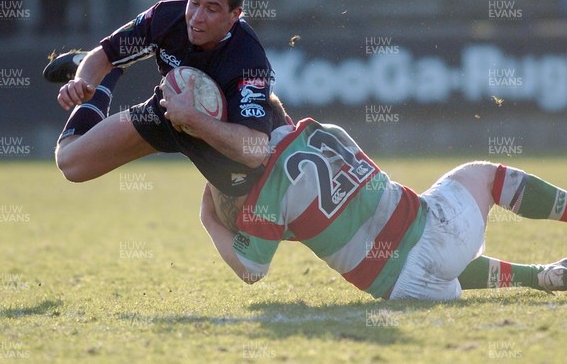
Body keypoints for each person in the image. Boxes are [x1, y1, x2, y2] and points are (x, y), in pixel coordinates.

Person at [200, 108, 567, 300]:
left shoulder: (267, 194)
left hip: (404, 290)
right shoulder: (327, 132)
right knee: (484, 175)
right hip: (432, 235)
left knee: (439, 259)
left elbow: (251, 269)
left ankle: (538, 276)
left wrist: (210, 220)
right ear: (285, 119)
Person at [49, 0, 275, 197]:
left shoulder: (249, 58)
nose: (197, 18)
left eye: (212, 9)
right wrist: (84, 81)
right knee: (71, 164)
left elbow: (255, 150)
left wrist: (192, 118)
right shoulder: (165, 17)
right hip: (166, 113)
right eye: (194, 1)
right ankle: (109, 76)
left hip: (213, 136)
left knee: (244, 197)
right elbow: (103, 54)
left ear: (235, 15)